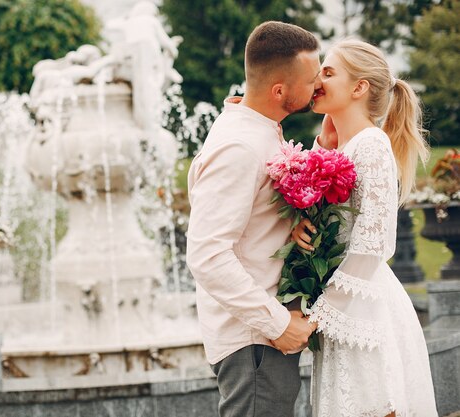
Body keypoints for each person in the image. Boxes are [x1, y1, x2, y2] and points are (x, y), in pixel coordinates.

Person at [292, 39, 438, 417]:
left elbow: (373, 244)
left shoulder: (371, 146)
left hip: (363, 313)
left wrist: (319, 315)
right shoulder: (342, 147)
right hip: (343, 311)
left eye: (328, 72)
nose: (316, 80)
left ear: (359, 88)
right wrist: (322, 146)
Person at [185, 21, 321, 417]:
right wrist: (279, 324)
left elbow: (250, 221)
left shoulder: (259, 130)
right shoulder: (240, 147)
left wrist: (288, 226)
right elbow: (208, 255)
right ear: (280, 90)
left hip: (260, 342)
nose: (317, 86)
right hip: (254, 344)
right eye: (312, 78)